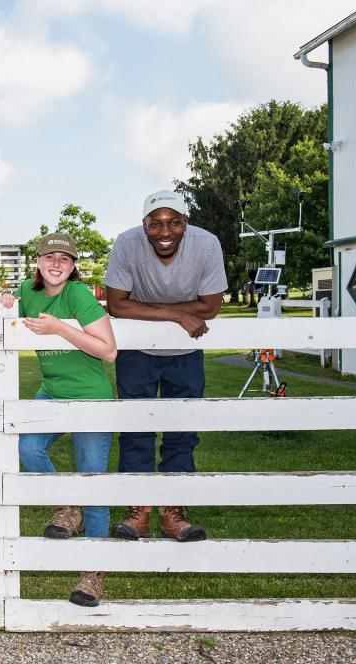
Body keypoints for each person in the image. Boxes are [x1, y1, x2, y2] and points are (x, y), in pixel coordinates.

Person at [0, 232, 117, 607]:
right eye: (49, 257)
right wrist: (5, 303)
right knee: (28, 446)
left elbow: (108, 350)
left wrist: (60, 327)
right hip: (52, 390)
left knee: (92, 479)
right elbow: (8, 312)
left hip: (91, 398)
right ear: (38, 261)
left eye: (64, 259)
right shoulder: (28, 293)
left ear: (72, 265)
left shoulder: (77, 295)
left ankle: (92, 575)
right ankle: (70, 507)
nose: (56, 264)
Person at [105, 189, 227, 542]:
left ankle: (174, 512)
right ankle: (138, 511)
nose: (164, 232)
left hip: (185, 353)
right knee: (136, 430)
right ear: (143, 224)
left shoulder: (206, 244)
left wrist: (149, 310)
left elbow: (211, 306)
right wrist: (177, 313)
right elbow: (117, 305)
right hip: (136, 352)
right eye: (155, 224)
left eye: (174, 222)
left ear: (185, 223)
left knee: (182, 433)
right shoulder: (127, 244)